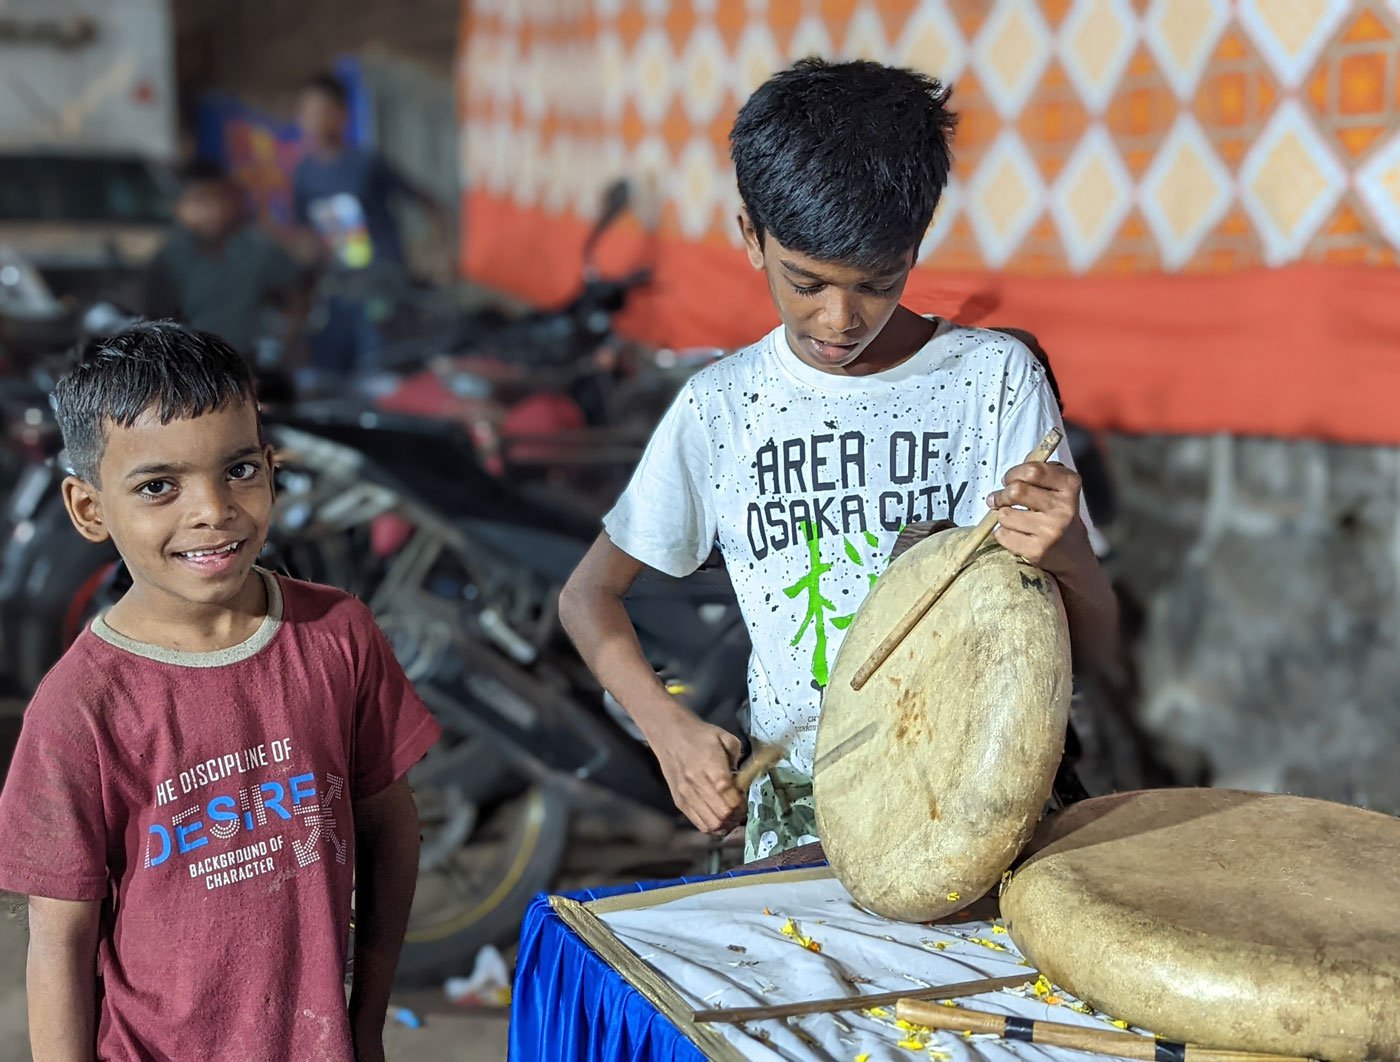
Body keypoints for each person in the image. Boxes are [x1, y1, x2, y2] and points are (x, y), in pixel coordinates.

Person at [558, 59, 1119, 865]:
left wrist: (1067, 554)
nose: (839, 319)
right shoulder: (723, 406)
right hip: (802, 814)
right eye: (806, 282)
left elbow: (1093, 655)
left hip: (981, 801)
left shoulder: (991, 383)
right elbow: (588, 597)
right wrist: (668, 729)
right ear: (751, 236)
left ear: (915, 246)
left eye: (876, 282)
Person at [0, 322, 441, 1060]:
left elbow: (391, 830)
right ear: (90, 509)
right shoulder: (80, 706)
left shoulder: (337, 634)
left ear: (271, 468)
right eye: (158, 486)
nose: (211, 509)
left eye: (238, 470)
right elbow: (59, 946)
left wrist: (365, 1023)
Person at [292, 72, 438, 376]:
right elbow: (303, 233)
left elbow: (428, 203)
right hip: (338, 288)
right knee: (330, 370)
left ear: (341, 115)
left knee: (380, 369)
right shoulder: (303, 174)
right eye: (307, 112)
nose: (314, 120)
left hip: (382, 285)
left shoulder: (366, 164)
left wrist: (436, 254)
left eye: (322, 111)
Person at [145, 158, 309, 362]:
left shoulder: (258, 250)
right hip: (190, 367)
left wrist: (278, 343)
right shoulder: (168, 261)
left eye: (220, 199)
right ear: (180, 207)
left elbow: (297, 296)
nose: (213, 211)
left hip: (248, 364)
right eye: (200, 201)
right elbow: (153, 319)